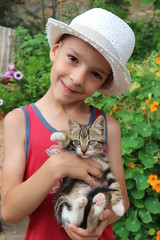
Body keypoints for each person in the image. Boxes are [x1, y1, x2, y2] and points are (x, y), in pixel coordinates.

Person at [1, 8, 135, 240]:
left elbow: (120, 199)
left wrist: (98, 223)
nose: (77, 78)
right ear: (55, 50)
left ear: (104, 83)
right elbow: (10, 212)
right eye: (73, 59)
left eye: (95, 74)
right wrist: (58, 165)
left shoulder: (107, 127)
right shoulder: (20, 122)